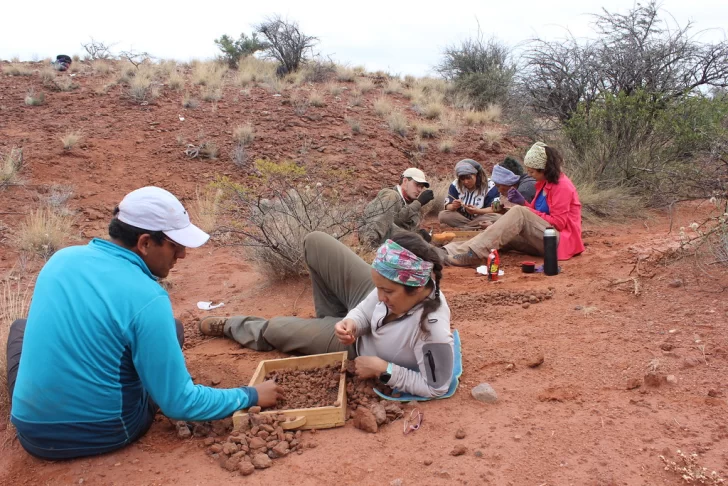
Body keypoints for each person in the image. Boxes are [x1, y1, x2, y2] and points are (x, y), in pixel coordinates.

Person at [6, 187, 282, 460]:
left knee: (21, 328)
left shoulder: (60, 260)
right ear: (145, 243)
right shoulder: (149, 298)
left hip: (32, 433)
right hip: (104, 432)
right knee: (170, 331)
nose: (182, 255)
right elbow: (179, 403)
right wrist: (250, 395)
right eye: (175, 245)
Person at [200, 231, 454, 398]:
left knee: (276, 330)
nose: (380, 297)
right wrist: (352, 322)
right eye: (378, 286)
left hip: (360, 348)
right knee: (316, 242)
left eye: (386, 291)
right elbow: (369, 306)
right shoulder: (390, 291)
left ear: (418, 287)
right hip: (358, 330)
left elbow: (437, 387)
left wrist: (384, 369)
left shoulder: (432, 330)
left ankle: (234, 326)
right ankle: (330, 323)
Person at [444, 142, 585, 266]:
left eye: (532, 171)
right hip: (543, 238)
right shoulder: (544, 184)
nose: (529, 175)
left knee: (518, 212)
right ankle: (449, 250)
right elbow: (536, 218)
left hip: (559, 243)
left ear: (545, 169)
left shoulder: (562, 186)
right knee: (499, 232)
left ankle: (474, 255)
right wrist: (524, 204)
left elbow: (558, 223)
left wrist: (523, 209)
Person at [358, 167, 434, 248]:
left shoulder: (411, 204)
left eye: (421, 187)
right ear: (405, 181)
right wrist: (418, 203)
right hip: (373, 242)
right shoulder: (390, 195)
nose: (419, 190)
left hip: (390, 246)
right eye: (417, 185)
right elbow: (392, 219)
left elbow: (399, 227)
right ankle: (370, 247)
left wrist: (419, 234)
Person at [438, 159, 498, 228]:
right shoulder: (455, 185)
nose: (466, 182)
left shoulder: (491, 185)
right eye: (462, 179)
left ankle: (465, 227)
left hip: (482, 217)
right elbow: (447, 206)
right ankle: (474, 227)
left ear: (477, 175)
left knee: (497, 217)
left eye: (469, 178)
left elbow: (496, 209)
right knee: (442, 215)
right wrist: (453, 206)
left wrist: (478, 211)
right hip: (461, 219)